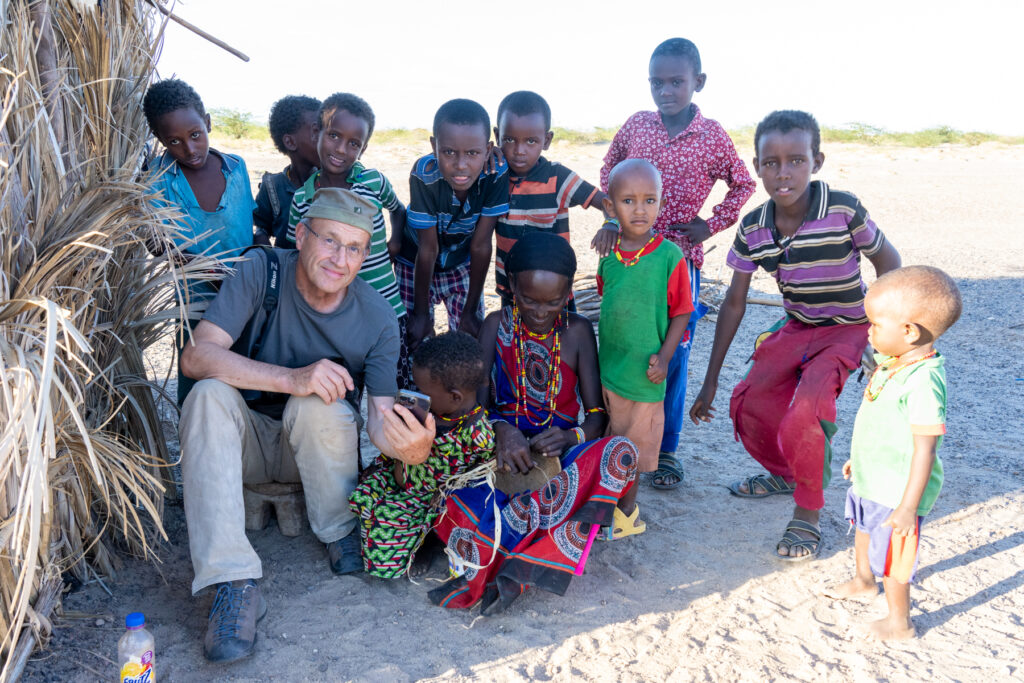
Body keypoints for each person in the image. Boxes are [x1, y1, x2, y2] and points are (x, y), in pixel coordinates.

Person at [178, 187, 434, 663]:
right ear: (300, 235)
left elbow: (378, 419)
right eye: (330, 240)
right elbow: (197, 356)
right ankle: (231, 581)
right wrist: (294, 378)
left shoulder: (377, 316)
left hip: (310, 457)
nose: (340, 258)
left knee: (322, 404)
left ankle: (339, 531)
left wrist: (413, 448)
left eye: (354, 248)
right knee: (208, 393)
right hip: (243, 444)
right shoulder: (262, 271)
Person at [689, 110, 902, 561]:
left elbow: (889, 263)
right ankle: (787, 473)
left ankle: (807, 512)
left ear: (816, 161)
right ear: (757, 166)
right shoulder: (753, 227)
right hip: (797, 325)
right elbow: (733, 302)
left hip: (846, 329)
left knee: (807, 411)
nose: (783, 173)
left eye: (795, 161)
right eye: (771, 163)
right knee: (749, 406)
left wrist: (878, 336)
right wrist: (710, 381)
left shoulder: (842, 208)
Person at [428, 232, 639, 615]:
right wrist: (501, 431)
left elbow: (596, 415)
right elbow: (476, 406)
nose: (541, 312)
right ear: (510, 288)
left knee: (620, 452)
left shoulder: (576, 332)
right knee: (452, 489)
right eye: (529, 300)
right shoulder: (495, 326)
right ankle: (540, 527)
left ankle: (516, 528)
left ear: (568, 292)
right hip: (501, 457)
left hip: (560, 457)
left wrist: (570, 435)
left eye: (554, 301)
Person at [600, 37, 756, 490]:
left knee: (672, 354)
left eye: (676, 81)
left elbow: (742, 184)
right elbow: (608, 173)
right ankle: (617, 435)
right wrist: (613, 221)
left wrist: (711, 224)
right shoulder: (637, 126)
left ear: (697, 83)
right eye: (657, 82)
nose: (665, 90)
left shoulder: (711, 136)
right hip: (629, 254)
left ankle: (665, 450)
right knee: (624, 341)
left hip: (677, 259)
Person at [825, 266, 961, 641]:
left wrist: (907, 506)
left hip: (898, 490)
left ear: (909, 331)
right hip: (874, 477)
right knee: (864, 530)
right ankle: (863, 581)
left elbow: (925, 449)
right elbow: (880, 423)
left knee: (895, 557)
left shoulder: (923, 382)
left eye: (874, 324)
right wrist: (862, 457)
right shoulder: (893, 363)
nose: (868, 331)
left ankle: (900, 621)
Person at [284, 93, 414, 387]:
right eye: (333, 136)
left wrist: (393, 243)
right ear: (317, 133)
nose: (341, 149)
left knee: (397, 394)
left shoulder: (373, 182)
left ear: (363, 148)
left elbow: (398, 209)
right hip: (336, 319)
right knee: (342, 400)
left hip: (388, 309)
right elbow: (297, 253)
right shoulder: (303, 200)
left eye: (353, 143)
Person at [142, 78, 256, 407]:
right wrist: (212, 273)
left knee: (246, 372)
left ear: (207, 123)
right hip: (196, 305)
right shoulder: (158, 179)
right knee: (197, 378)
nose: (189, 149)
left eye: (195, 135)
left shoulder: (236, 169)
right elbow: (159, 244)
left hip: (247, 295)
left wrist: (255, 274)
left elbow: (250, 224)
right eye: (174, 141)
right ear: (160, 140)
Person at [350, 332, 494, 579]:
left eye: (422, 390)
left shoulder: (477, 435)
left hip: (432, 502)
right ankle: (405, 534)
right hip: (405, 482)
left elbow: (472, 485)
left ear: (455, 397)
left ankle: (430, 539)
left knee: (385, 554)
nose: (416, 394)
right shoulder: (431, 413)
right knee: (366, 491)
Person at [597, 160, 693, 530]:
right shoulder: (610, 255)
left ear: (661, 203)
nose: (640, 210)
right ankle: (609, 507)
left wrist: (665, 357)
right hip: (612, 370)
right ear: (611, 207)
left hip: (646, 375)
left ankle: (627, 516)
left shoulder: (670, 256)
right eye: (629, 201)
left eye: (650, 200)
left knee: (632, 454)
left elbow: (683, 312)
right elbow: (610, 303)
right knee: (612, 442)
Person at [392, 98, 509, 347]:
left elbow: (480, 245)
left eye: (473, 153)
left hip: (461, 261)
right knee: (411, 338)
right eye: (448, 152)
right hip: (415, 262)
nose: (460, 164)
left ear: (488, 150)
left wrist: (469, 313)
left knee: (469, 342)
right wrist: (422, 315)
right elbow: (428, 249)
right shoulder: (424, 173)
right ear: (434, 146)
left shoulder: (496, 172)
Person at [492, 90, 608, 308]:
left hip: (553, 293)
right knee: (513, 342)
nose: (519, 151)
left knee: (562, 340)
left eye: (531, 141)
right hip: (511, 291)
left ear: (546, 140)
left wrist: (610, 224)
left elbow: (605, 202)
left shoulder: (558, 178)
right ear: (496, 136)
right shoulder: (494, 177)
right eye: (509, 139)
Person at [253, 95, 321, 246]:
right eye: (316, 131)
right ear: (290, 142)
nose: (325, 139)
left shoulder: (336, 181)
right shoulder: (272, 188)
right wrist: (266, 251)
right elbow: (262, 227)